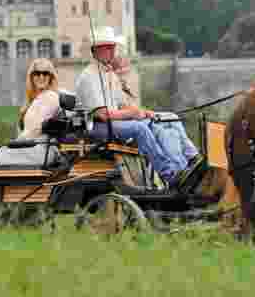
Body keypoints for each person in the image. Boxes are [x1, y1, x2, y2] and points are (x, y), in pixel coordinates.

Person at [73, 26, 182, 187]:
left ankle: (183, 166)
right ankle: (169, 174)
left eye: (113, 47)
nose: (112, 51)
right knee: (140, 129)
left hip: (113, 123)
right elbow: (103, 115)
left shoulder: (108, 74)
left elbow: (123, 105)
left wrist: (143, 113)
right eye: (108, 47)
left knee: (158, 125)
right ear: (96, 50)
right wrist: (133, 114)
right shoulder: (89, 77)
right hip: (96, 128)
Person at [0, 58, 63, 209]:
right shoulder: (36, 99)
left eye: (45, 73)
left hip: (38, 149)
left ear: (51, 77)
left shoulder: (50, 97)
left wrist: (16, 143)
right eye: (37, 73)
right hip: (33, 148)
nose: (41, 77)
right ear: (31, 76)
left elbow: (36, 128)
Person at [111, 53, 203, 182]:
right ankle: (181, 167)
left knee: (171, 122)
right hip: (132, 124)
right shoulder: (114, 87)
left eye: (124, 67)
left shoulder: (122, 85)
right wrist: (143, 113)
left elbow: (134, 109)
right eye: (118, 68)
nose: (122, 71)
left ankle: (189, 159)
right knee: (164, 131)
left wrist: (145, 112)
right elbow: (125, 111)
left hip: (138, 119)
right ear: (112, 70)